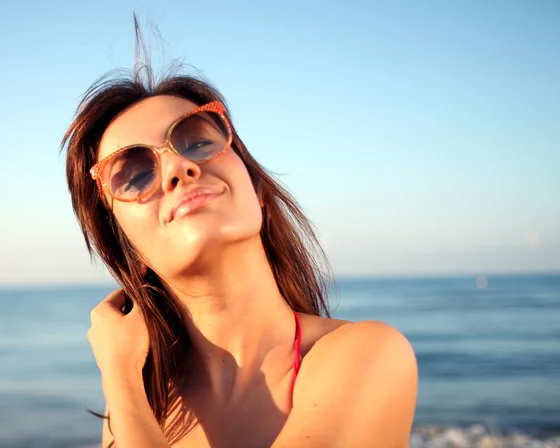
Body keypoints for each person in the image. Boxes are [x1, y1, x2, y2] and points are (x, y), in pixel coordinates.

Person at [61, 29, 417, 448]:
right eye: (135, 174)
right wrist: (124, 386)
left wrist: (119, 379)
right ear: (128, 249)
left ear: (258, 191)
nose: (177, 168)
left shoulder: (367, 355)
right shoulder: (143, 409)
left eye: (197, 142)